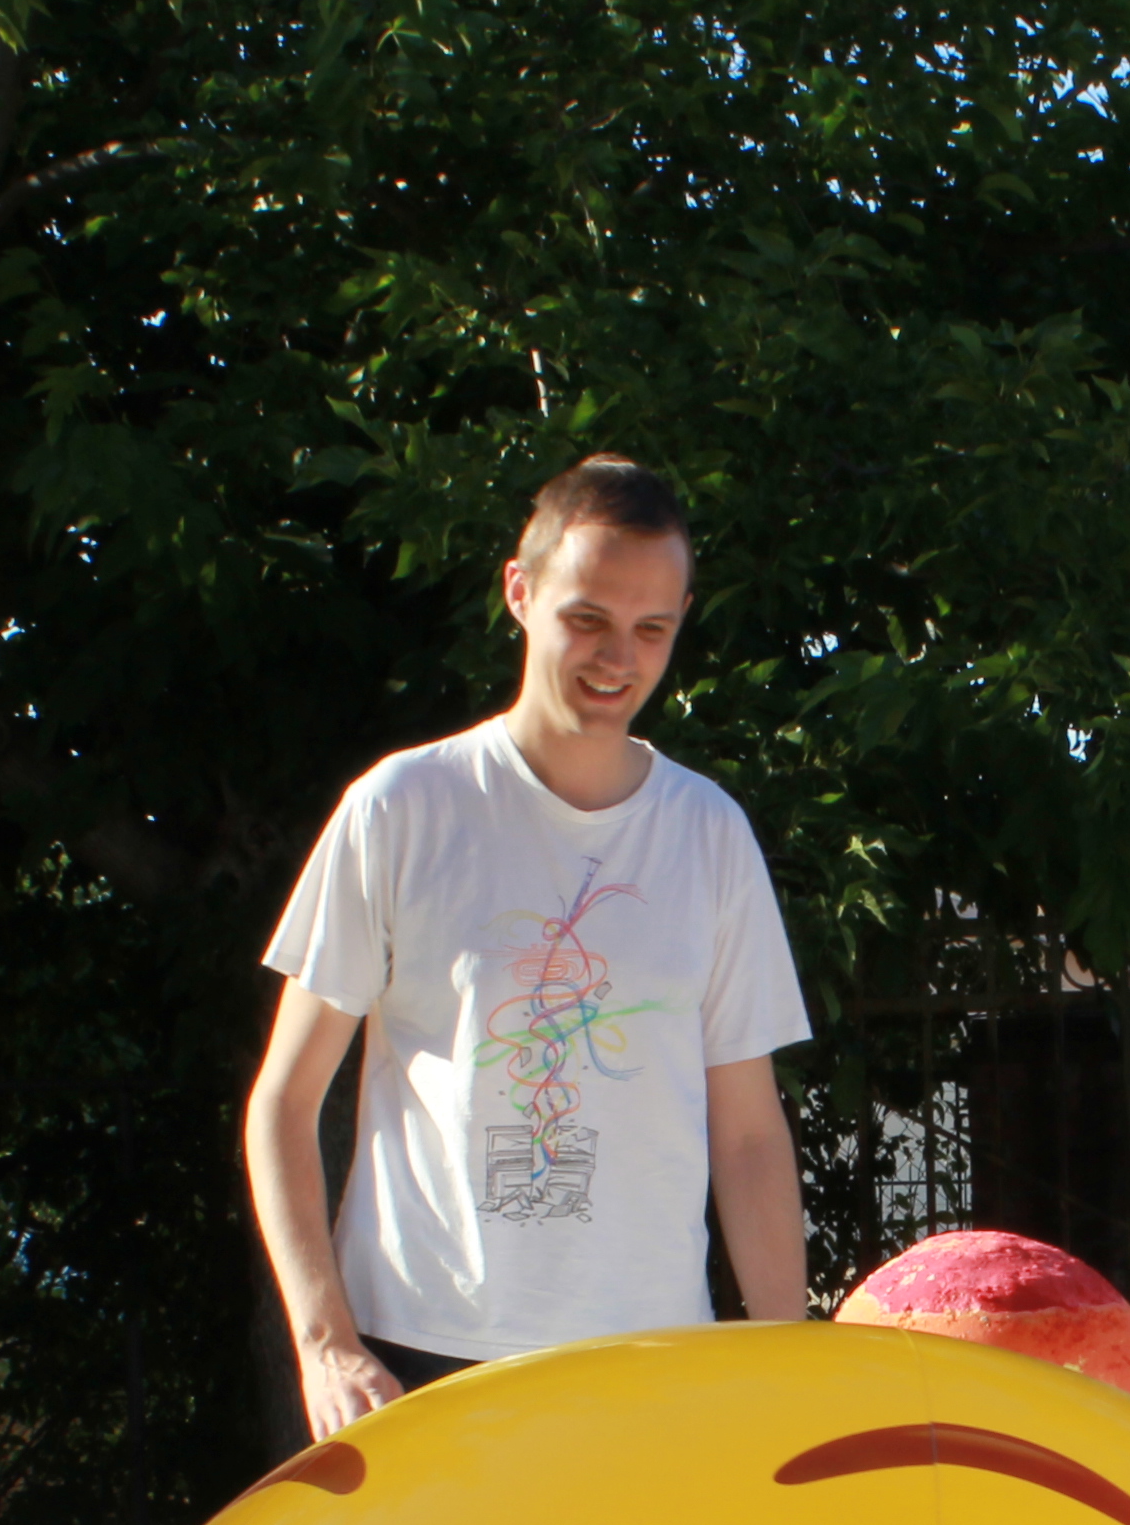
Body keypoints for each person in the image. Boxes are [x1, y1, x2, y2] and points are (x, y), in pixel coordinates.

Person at [246, 455, 814, 1441]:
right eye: (587, 618)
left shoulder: (710, 833)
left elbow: (750, 1136)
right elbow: (283, 1104)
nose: (617, 658)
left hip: (650, 1368)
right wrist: (327, 1345)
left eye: (652, 629)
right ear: (520, 590)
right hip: (417, 1363)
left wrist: (791, 1370)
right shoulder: (402, 808)